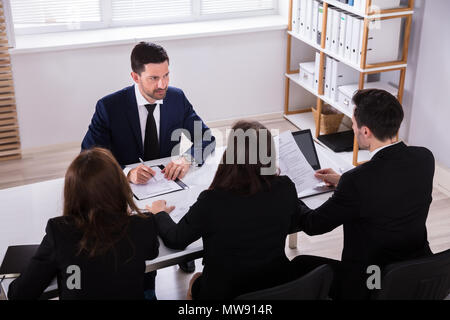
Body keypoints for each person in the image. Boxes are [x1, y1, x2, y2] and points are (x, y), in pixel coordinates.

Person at [81, 42, 214, 273]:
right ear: (135, 76)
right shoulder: (109, 106)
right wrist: (126, 172)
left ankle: (180, 250)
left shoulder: (176, 98)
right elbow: (88, 155)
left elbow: (207, 138)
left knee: (189, 211)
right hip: (127, 191)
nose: (162, 84)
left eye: (166, 75)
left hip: (167, 183)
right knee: (139, 244)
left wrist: (187, 158)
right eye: (153, 78)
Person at [291, 89, 435, 300]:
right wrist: (342, 181)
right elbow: (389, 186)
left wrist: (287, 191)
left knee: (299, 266)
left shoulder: (357, 181)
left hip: (370, 282)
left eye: (353, 123)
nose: (353, 128)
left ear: (366, 131)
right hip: (415, 273)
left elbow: (313, 225)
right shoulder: (424, 158)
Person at [146, 120, 302, 300]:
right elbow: (292, 222)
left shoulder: (212, 200)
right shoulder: (286, 187)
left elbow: (176, 239)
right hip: (275, 286)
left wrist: (160, 213)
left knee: (196, 280)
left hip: (225, 293)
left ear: (232, 152)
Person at [8, 148, 159, 300]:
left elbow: (19, 294)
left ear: (72, 192)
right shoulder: (143, 224)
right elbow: (152, 252)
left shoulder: (59, 232)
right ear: (120, 186)